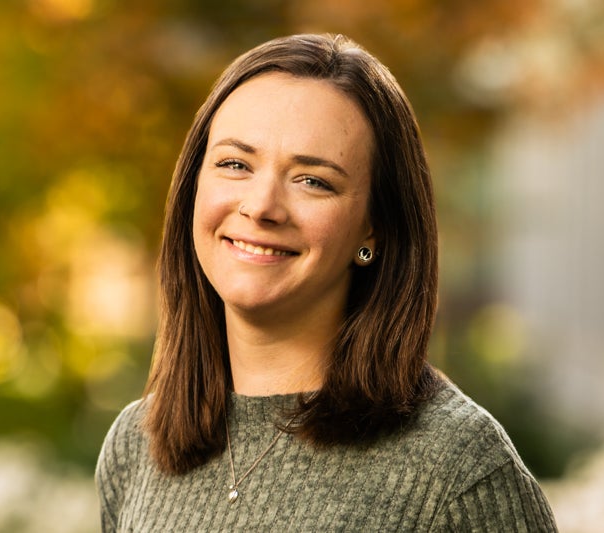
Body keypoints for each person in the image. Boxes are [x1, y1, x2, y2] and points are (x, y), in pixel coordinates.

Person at [96, 33, 557, 531]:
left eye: (313, 180)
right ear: (193, 186)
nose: (261, 206)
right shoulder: (133, 448)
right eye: (235, 164)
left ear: (373, 228)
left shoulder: (459, 470)